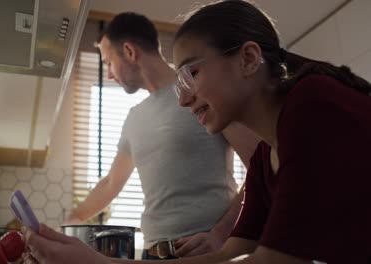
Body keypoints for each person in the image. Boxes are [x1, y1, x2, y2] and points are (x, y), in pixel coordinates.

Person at [24, 0, 371, 263]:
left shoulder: (312, 103)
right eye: (180, 84)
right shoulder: (268, 160)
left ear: (249, 59)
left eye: (192, 73)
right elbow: (228, 256)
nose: (184, 100)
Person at [62, 12, 259, 260]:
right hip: (152, 254)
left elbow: (259, 168)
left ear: (129, 51)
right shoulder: (134, 117)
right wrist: (73, 219)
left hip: (205, 253)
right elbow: (112, 182)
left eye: (108, 62)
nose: (109, 73)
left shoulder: (203, 93)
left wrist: (221, 234)